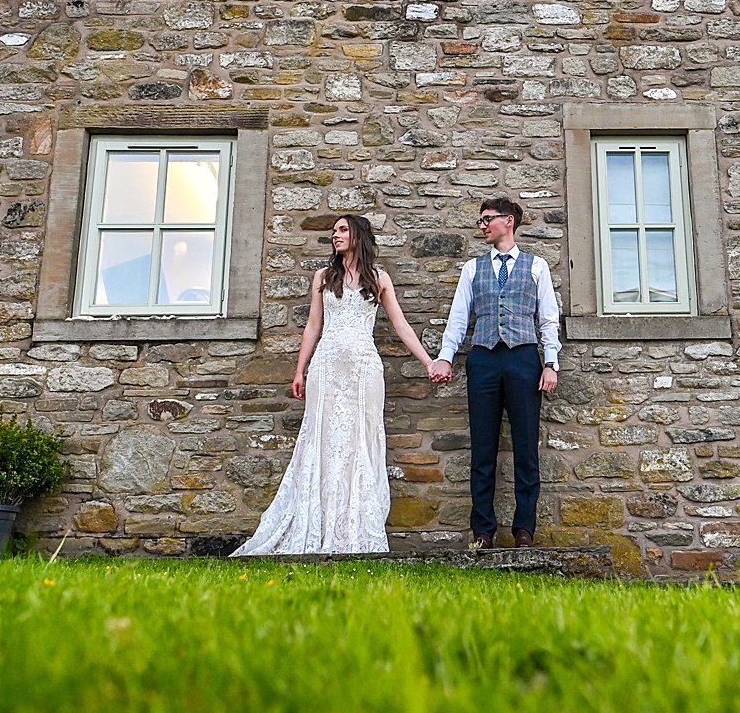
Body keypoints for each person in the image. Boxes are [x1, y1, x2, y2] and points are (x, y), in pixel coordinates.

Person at [234, 214, 433, 556]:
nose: (335, 236)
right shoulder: (323, 277)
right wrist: (300, 370)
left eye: (342, 230)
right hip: (326, 368)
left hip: (363, 370)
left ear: (358, 235)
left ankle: (355, 529)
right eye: (333, 231)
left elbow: (400, 326)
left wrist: (428, 362)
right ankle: (319, 525)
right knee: (322, 442)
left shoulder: (380, 279)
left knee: (359, 443)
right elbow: (313, 326)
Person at [427, 198, 561, 551]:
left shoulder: (537, 267)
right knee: (482, 449)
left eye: (488, 219)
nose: (482, 225)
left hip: (523, 360)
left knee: (525, 449)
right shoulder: (473, 269)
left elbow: (547, 319)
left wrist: (550, 363)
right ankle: (482, 531)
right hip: (484, 360)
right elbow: (458, 319)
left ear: (509, 221)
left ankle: (524, 530)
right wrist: (445, 358)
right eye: (481, 220)